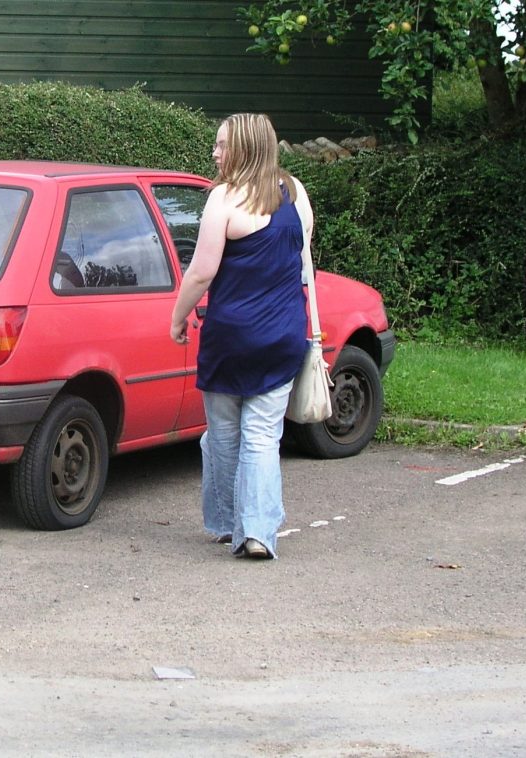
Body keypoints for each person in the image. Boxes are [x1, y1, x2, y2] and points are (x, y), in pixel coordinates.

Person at [170, 113, 314, 560]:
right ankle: (256, 533)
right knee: (262, 437)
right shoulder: (293, 192)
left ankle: (225, 523)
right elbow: (302, 256)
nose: (214, 153)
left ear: (245, 148)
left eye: (222, 145)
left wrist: (177, 318)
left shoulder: (222, 201)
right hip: (284, 333)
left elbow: (201, 272)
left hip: (230, 337)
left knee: (224, 435)